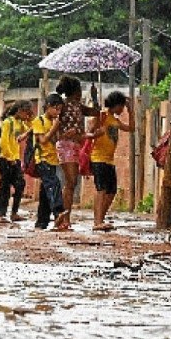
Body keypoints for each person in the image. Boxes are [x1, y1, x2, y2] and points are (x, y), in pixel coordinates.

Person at [55, 76, 100, 228]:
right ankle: (63, 217)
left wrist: (94, 96)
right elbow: (54, 125)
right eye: (80, 89)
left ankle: (64, 217)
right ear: (76, 91)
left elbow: (96, 112)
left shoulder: (79, 107)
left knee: (71, 182)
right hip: (66, 145)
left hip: (75, 145)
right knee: (71, 182)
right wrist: (64, 133)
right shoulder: (62, 106)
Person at [89, 91, 135, 231]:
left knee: (111, 191)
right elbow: (91, 130)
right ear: (116, 105)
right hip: (98, 157)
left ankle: (101, 219)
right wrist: (98, 127)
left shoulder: (115, 120)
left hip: (109, 160)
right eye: (121, 106)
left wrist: (131, 111)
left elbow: (131, 128)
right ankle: (97, 222)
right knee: (101, 189)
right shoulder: (102, 116)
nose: (122, 110)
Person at [31, 93, 69, 230]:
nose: (58, 112)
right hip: (42, 159)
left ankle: (41, 222)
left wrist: (63, 132)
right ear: (48, 107)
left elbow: (55, 139)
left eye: (60, 110)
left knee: (45, 191)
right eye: (56, 109)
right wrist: (55, 127)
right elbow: (43, 140)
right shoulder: (38, 121)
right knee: (54, 184)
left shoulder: (53, 122)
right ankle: (58, 212)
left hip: (53, 160)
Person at [0, 100, 33, 224]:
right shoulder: (8, 122)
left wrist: (30, 119)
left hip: (14, 158)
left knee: (20, 184)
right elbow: (3, 142)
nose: (26, 116)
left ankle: (14, 213)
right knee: (5, 187)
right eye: (26, 113)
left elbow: (30, 130)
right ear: (19, 110)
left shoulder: (19, 123)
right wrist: (9, 158)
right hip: (7, 158)